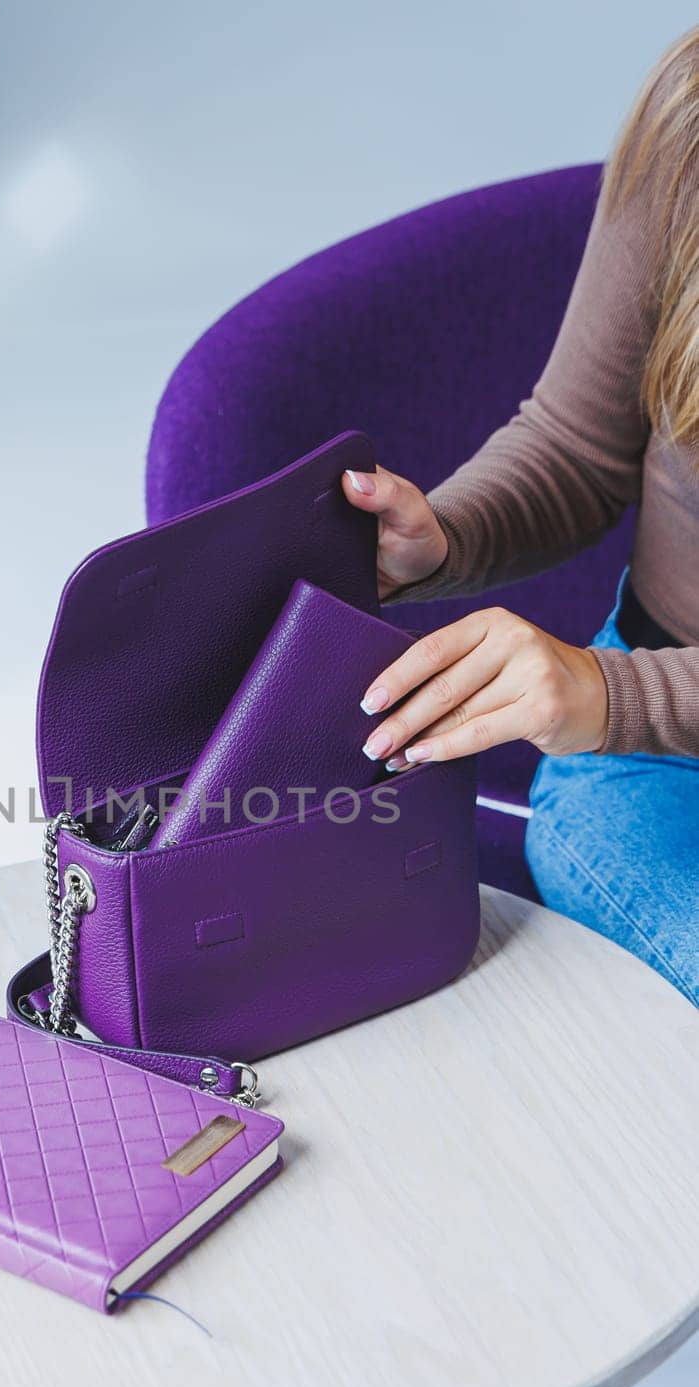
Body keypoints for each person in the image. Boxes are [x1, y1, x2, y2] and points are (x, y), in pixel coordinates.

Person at [341, 27, 699, 1006]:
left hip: (633, 709)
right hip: (663, 775)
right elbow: (576, 449)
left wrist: (608, 693)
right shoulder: (692, 109)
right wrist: (442, 535)